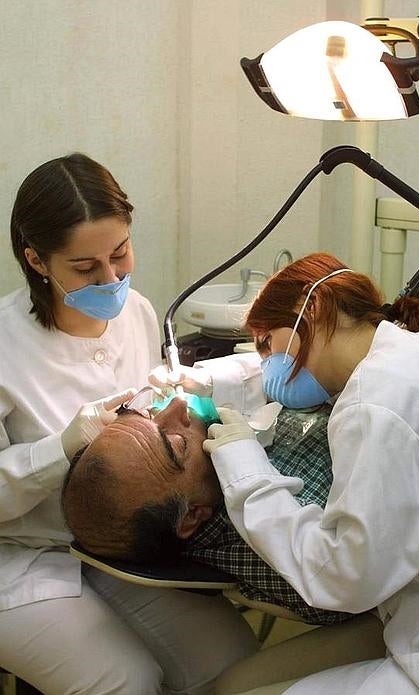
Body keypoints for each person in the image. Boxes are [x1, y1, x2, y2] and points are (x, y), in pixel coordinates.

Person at [0, 153, 257, 695]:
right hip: (21, 560)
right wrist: (63, 448)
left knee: (232, 663)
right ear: (36, 259)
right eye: (86, 268)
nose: (112, 277)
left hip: (118, 551)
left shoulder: (136, 311)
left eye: (120, 255)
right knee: (125, 682)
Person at [198, 251, 419, 694]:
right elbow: (278, 372)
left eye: (266, 345)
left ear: (310, 310)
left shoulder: (374, 402)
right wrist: (201, 380)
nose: (267, 364)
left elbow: (344, 576)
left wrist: (247, 475)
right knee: (232, 684)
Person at [62, 398, 365, 626]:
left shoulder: (208, 472)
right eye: (177, 443)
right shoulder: (264, 546)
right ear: (192, 515)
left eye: (147, 413)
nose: (178, 405)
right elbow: (346, 589)